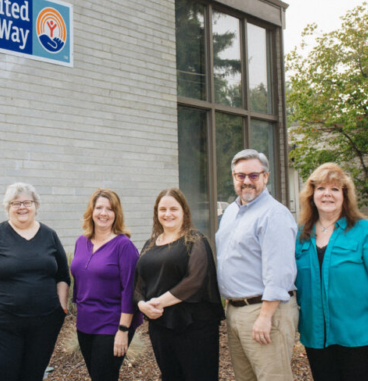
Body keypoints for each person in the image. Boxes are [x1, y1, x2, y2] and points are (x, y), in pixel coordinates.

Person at [295, 163, 368, 381]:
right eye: (321, 189)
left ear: (345, 196)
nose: (327, 194)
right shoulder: (301, 235)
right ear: (312, 194)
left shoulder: (365, 231)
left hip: (362, 339)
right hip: (317, 340)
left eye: (335, 189)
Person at [0, 182, 70, 381]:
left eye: (27, 202)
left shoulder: (49, 235)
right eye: (15, 203)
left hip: (44, 323)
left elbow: (62, 276)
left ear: (36, 205)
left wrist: (61, 308)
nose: (22, 207)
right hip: (0, 323)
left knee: (32, 375)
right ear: (8, 207)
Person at [216, 149, 298, 381]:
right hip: (236, 311)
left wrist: (265, 316)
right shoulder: (232, 212)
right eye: (240, 176)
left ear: (266, 176)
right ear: (233, 177)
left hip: (265, 311)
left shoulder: (274, 214)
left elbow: (279, 271)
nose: (246, 182)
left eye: (253, 175)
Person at [134, 188, 223, 380]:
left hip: (194, 326)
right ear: (156, 213)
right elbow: (138, 283)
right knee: (170, 376)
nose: (168, 214)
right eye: (162, 209)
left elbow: (194, 281)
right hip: (160, 326)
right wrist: (142, 306)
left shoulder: (195, 241)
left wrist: (159, 303)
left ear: (184, 211)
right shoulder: (150, 245)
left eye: (173, 209)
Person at [70, 188, 141, 381]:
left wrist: (123, 331)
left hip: (112, 323)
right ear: (91, 211)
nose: (103, 213)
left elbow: (130, 291)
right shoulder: (81, 241)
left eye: (109, 209)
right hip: (85, 323)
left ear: (116, 214)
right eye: (99, 207)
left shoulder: (124, 246)